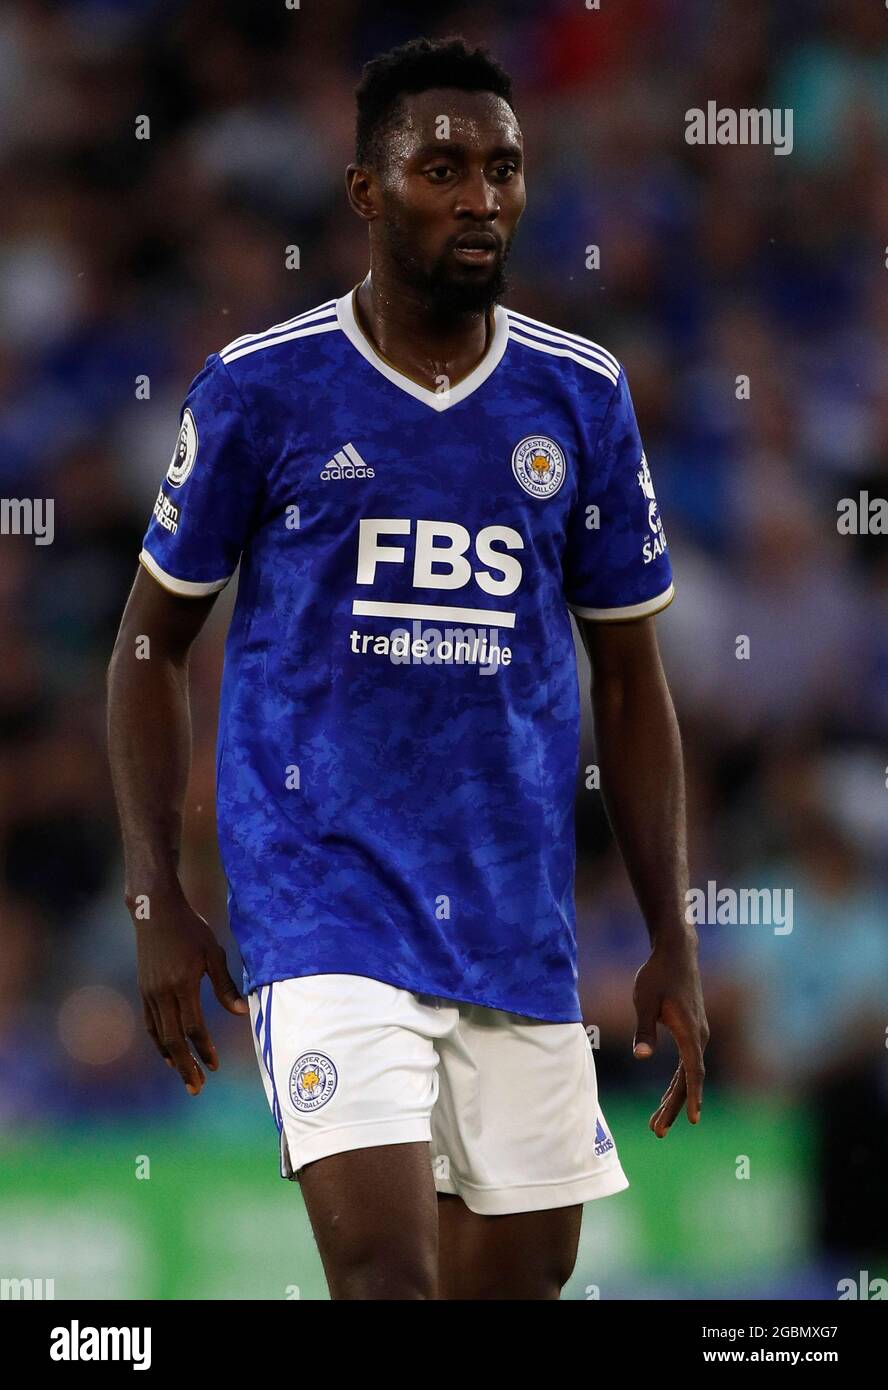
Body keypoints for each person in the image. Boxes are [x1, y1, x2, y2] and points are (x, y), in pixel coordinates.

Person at [107, 35, 708, 1301]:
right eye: (442, 168)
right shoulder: (263, 392)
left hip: (514, 923)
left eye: (503, 168)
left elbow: (629, 684)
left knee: (522, 1281)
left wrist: (673, 938)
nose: (480, 196)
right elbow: (148, 646)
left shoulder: (580, 396)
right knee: (385, 1273)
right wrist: (159, 896)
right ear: (367, 194)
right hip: (321, 904)